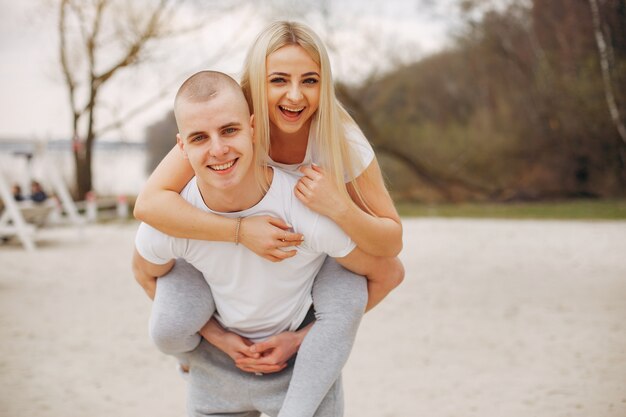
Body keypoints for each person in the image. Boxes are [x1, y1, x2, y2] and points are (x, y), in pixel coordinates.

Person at [134, 21, 404, 416]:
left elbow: (391, 246)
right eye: (278, 80)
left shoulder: (340, 141)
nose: (295, 95)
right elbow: (149, 205)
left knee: (346, 290)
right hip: (241, 247)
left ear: (323, 84)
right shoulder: (224, 121)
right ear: (255, 86)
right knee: (172, 316)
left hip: (315, 241)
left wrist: (339, 207)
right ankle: (193, 360)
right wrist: (241, 232)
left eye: (309, 80)